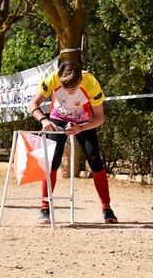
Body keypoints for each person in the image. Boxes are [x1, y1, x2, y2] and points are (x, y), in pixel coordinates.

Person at [28, 60, 118, 224]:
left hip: (84, 120)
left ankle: (107, 208)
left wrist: (81, 128)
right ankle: (44, 207)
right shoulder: (53, 78)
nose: (69, 93)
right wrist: (43, 120)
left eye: (73, 89)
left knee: (95, 160)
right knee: (52, 161)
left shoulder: (90, 82)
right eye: (65, 88)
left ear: (80, 81)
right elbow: (33, 103)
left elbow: (100, 117)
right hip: (58, 118)